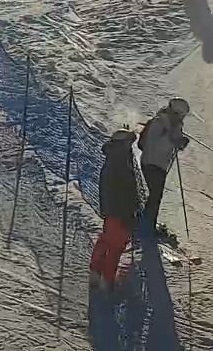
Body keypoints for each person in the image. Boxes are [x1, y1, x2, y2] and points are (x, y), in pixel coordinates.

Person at [90, 129, 140, 291]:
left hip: (112, 211)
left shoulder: (114, 160)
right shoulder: (120, 163)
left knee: (106, 240)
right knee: (115, 246)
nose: (130, 146)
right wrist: (128, 212)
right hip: (119, 212)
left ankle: (96, 272)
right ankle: (107, 280)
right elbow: (125, 191)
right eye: (128, 143)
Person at [138, 98, 190, 233]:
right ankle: (146, 226)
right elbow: (154, 144)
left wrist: (179, 141)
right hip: (151, 162)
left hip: (159, 164)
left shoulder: (172, 124)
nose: (182, 119)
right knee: (155, 195)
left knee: (156, 195)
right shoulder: (160, 122)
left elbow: (172, 140)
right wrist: (175, 142)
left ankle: (147, 224)